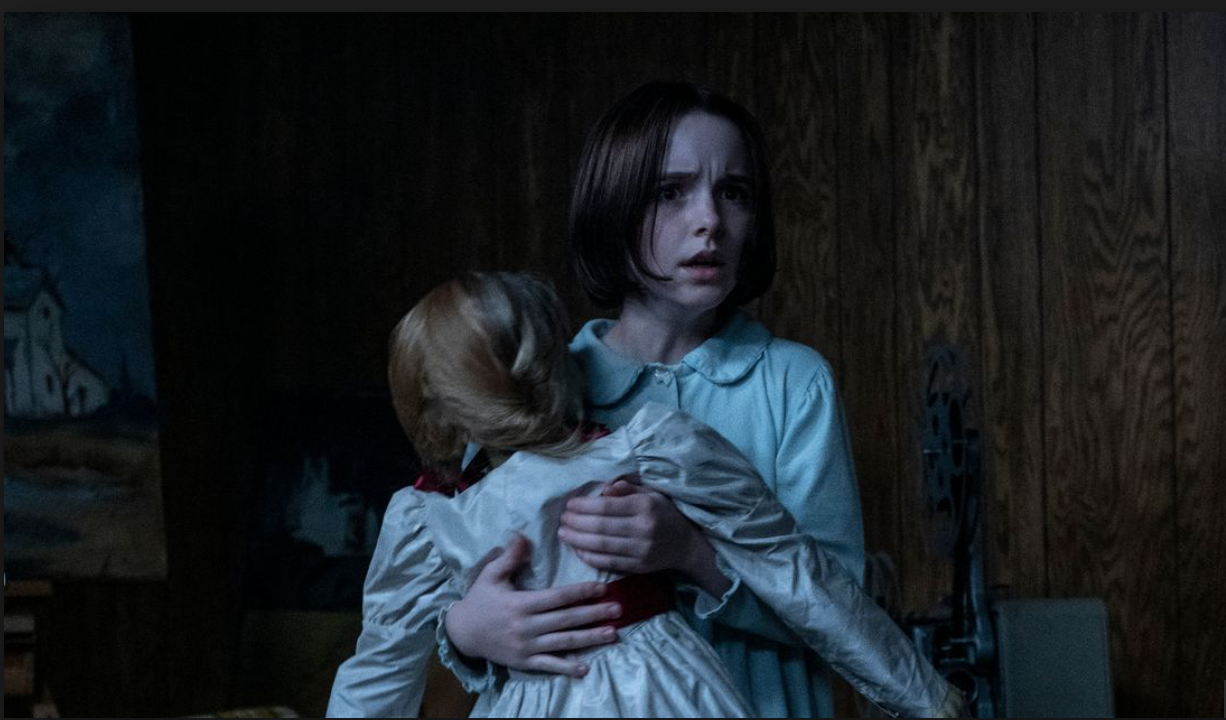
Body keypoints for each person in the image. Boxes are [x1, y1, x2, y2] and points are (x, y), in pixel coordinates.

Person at [326, 272, 959, 718]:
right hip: (670, 691)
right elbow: (801, 576)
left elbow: (376, 676)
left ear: (444, 411)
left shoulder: (436, 520)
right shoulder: (652, 446)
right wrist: (929, 700)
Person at [438, 81, 871, 718]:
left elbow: (849, 616)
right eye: (671, 192)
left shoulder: (792, 384)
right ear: (612, 207)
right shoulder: (532, 380)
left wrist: (691, 554)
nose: (710, 220)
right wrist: (466, 631)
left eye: (734, 192)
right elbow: (453, 569)